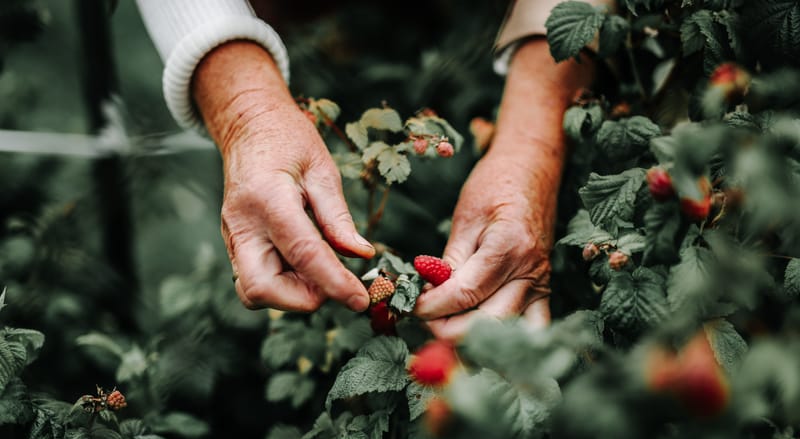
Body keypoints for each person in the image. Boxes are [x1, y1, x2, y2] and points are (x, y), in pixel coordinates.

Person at [135, 0, 609, 339]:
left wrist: (533, 140)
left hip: (489, 33)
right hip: (291, 39)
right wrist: (243, 108)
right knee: (277, 217)